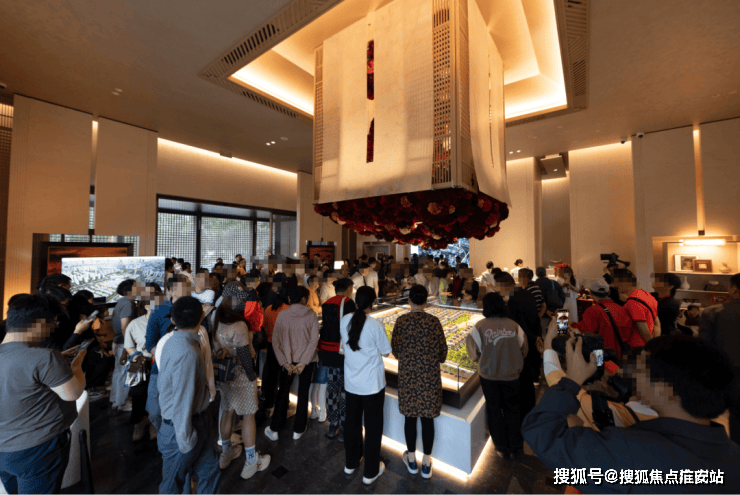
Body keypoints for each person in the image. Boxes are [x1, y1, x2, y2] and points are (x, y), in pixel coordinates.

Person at [522, 333, 740, 493]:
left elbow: (540, 431)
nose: (633, 374)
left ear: (665, 389)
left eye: (641, 368)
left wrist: (572, 380)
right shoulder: (733, 457)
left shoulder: (631, 452)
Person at [0, 294, 87, 494]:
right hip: (38, 447)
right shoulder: (45, 357)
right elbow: (72, 393)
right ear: (39, 323)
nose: (53, 328)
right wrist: (76, 366)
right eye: (53, 322)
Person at [155, 296, 220, 494]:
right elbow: (181, 401)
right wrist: (186, 440)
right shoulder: (187, 352)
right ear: (201, 317)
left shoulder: (172, 341)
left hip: (195, 422)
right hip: (182, 429)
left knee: (210, 472)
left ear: (173, 320)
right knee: (172, 486)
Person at [391, 284, 447, 478]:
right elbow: (443, 353)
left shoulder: (401, 321)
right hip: (429, 377)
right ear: (426, 301)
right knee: (427, 419)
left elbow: (395, 349)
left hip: (407, 376)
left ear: (409, 300)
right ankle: (426, 463)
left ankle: (412, 460)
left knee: (409, 418)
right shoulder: (433, 321)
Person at [213, 293, 271, 479]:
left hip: (224, 374)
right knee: (248, 416)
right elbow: (245, 356)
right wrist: (253, 378)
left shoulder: (217, 321)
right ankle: (252, 461)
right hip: (240, 375)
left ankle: (226, 453)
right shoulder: (239, 325)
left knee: (227, 411)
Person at [467, 292, 528, 460]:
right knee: (513, 410)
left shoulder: (479, 327)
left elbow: (473, 354)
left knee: (494, 410)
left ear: (485, 307)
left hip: (489, 377)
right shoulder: (514, 325)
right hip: (512, 376)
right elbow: (524, 349)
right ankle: (516, 447)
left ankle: (501, 447)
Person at [340, 286, 392, 485]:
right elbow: (386, 352)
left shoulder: (345, 320)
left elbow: (344, 347)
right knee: (373, 427)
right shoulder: (375, 325)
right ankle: (370, 472)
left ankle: (351, 463)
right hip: (372, 385)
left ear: (355, 301)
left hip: (351, 383)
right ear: (373, 302)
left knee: (351, 424)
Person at [265, 286, 319, 441]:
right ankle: (299, 429)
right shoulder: (311, 315)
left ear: (289, 298)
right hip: (307, 362)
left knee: (283, 392)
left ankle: (275, 428)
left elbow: (276, 342)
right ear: (304, 299)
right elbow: (313, 341)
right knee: (303, 393)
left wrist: (285, 363)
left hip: (287, 362)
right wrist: (303, 363)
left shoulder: (283, 315)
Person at [145, 274, 192, 433]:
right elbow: (149, 343)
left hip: (187, 367)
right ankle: (163, 435)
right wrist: (165, 356)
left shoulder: (194, 309)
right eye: (184, 286)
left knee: (185, 410)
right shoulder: (159, 310)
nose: (189, 290)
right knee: (154, 410)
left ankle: (178, 439)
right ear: (171, 290)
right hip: (160, 368)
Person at [699, 272, 740, 443]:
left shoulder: (712, 312)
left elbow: (705, 348)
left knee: (736, 415)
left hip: (727, 373)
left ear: (733, 289)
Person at [494, 272, 540, 416]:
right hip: (532, 340)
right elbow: (535, 317)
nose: (497, 290)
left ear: (504, 285)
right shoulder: (526, 293)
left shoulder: (513, 300)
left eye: (497, 286)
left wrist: (532, 339)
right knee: (528, 380)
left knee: (522, 380)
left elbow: (519, 326)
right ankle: (530, 410)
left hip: (523, 345)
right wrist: (537, 337)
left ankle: (524, 415)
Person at [571, 279, 643, 372]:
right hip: (621, 356)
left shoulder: (593, 311)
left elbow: (584, 330)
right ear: (608, 292)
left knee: (602, 376)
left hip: (601, 355)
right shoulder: (622, 309)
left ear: (591, 293)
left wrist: (567, 323)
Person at [319, 278, 356, 442]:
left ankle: (333, 423)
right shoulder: (348, 303)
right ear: (348, 289)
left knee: (332, 387)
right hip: (343, 352)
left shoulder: (326, 303)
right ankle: (345, 425)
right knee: (345, 390)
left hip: (328, 351)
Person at [124, 283, 161, 441]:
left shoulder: (166, 322)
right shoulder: (135, 324)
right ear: (146, 306)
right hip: (143, 365)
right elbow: (129, 345)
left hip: (160, 364)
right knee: (139, 396)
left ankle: (153, 423)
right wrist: (136, 355)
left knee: (158, 396)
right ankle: (139, 423)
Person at [258, 286, 290, 419]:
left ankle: (269, 402)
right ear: (288, 297)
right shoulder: (288, 310)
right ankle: (282, 403)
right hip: (284, 346)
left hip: (271, 344)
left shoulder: (269, 308)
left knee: (271, 374)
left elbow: (264, 327)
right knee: (283, 376)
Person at [110, 279, 138, 412]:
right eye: (136, 286)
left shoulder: (122, 302)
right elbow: (124, 326)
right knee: (125, 373)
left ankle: (115, 400)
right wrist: (129, 346)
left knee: (119, 372)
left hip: (118, 342)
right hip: (123, 343)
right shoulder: (127, 304)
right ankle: (121, 402)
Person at [613, 268, 661, 342]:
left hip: (637, 345)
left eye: (616, 283)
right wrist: (655, 342)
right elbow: (656, 324)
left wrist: (651, 346)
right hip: (649, 343)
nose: (615, 286)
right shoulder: (647, 295)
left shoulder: (633, 302)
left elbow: (644, 332)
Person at [534, 267, 565, 332]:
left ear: (536, 274)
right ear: (546, 273)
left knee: (544, 335)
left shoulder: (534, 285)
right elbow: (563, 296)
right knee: (562, 332)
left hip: (542, 314)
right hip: (559, 312)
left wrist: (546, 310)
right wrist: (559, 308)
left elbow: (535, 301)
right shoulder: (554, 283)